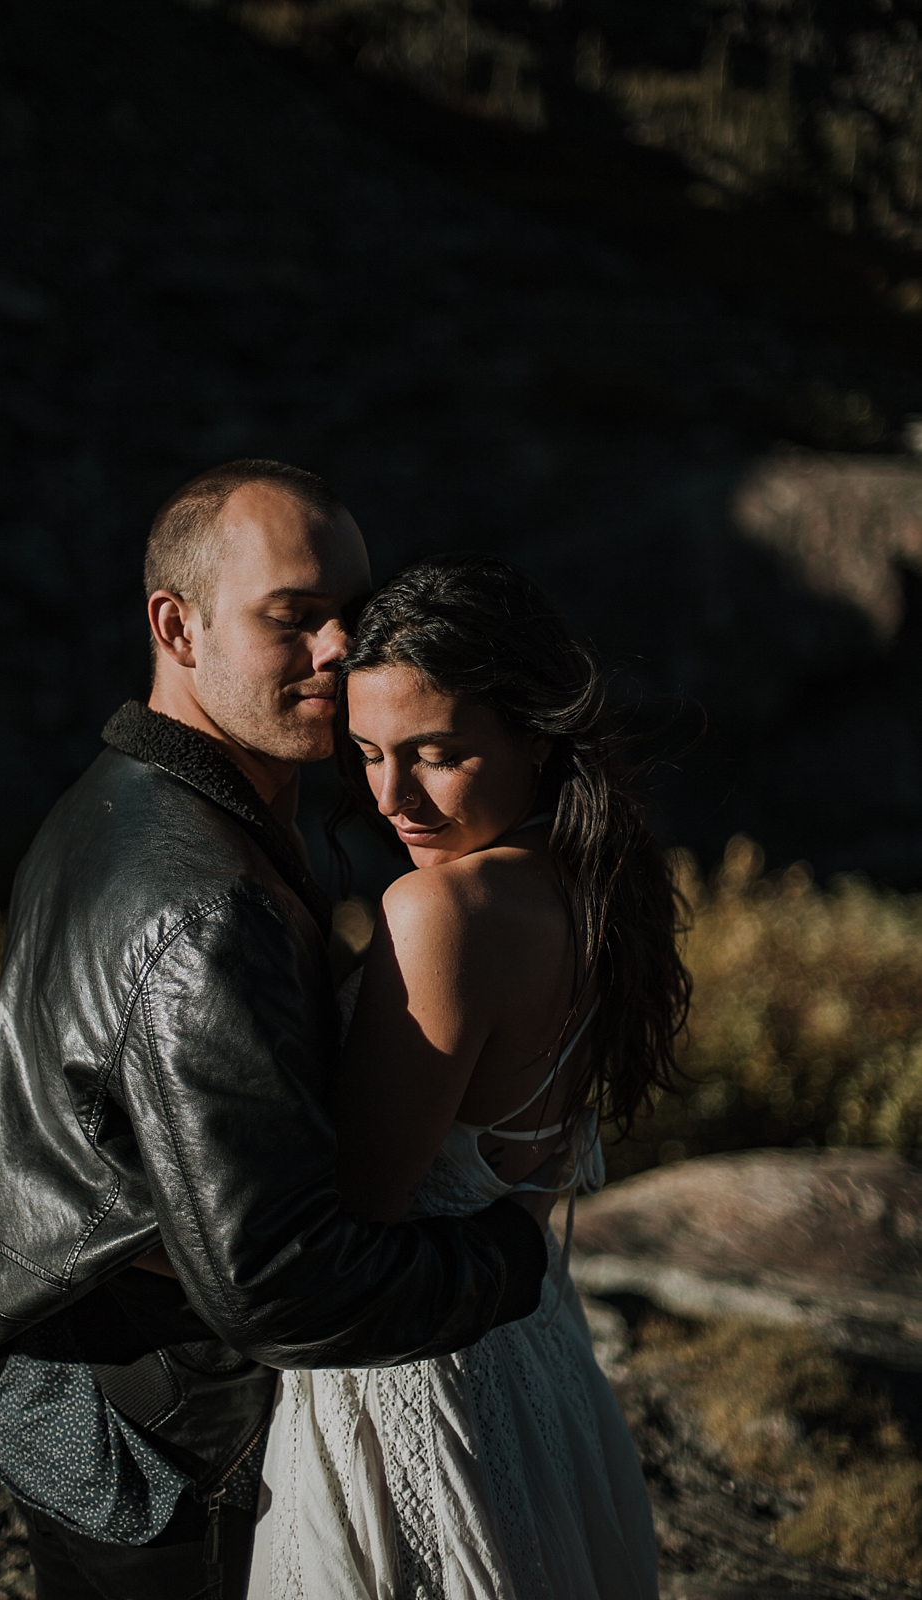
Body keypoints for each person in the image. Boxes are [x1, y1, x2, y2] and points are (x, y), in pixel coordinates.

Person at [0, 465, 561, 1600]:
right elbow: (280, 1282)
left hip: (127, 1407)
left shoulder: (142, 803)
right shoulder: (197, 900)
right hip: (168, 1450)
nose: (337, 650)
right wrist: (512, 1254)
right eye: (291, 618)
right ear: (176, 624)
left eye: (351, 615)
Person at [248, 553, 690, 1599]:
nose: (393, 797)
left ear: (533, 737)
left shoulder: (441, 914)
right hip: (536, 1364)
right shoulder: (592, 882)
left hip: (418, 1379)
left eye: (436, 754)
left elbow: (359, 1205)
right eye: (364, 754)